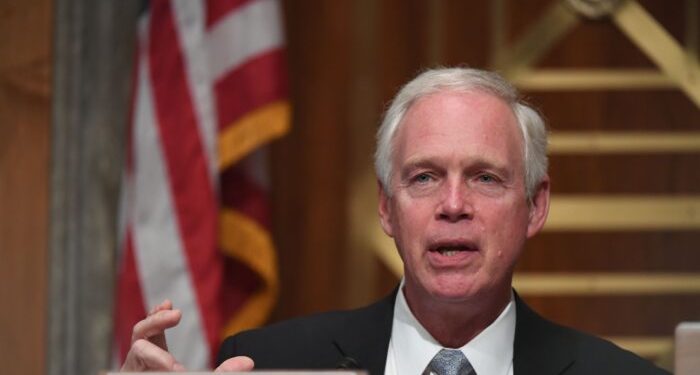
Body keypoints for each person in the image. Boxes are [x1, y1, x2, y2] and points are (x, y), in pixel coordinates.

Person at [121, 67, 669, 374]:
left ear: (536, 205)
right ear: (386, 206)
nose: (453, 204)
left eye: (485, 177)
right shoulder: (266, 366)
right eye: (424, 177)